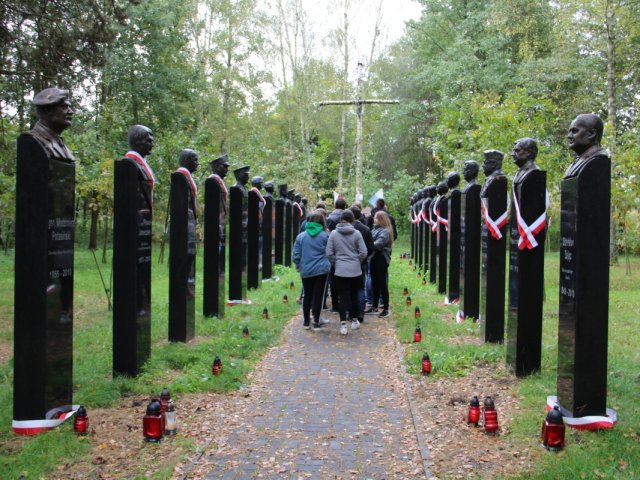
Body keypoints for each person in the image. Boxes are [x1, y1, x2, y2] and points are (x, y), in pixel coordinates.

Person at [326, 210, 367, 335]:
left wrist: (336, 263)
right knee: (354, 295)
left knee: (342, 297)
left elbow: (329, 253)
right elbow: (363, 252)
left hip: (340, 270)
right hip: (355, 270)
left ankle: (343, 325)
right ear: (352, 220)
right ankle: (354, 320)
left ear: (341, 219)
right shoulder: (357, 233)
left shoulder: (333, 234)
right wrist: (356, 261)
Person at [293, 211, 332, 330]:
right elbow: (330, 253)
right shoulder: (325, 236)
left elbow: (296, 254)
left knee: (307, 295)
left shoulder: (301, 236)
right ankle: (316, 321)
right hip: (321, 270)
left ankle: (305, 321)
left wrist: (299, 266)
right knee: (319, 296)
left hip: (306, 270)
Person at [368, 210, 394, 317]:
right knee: (375, 283)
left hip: (381, 258)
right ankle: (374, 306)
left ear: (381, 220)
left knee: (382, 283)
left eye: (376, 218)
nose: (374, 220)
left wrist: (368, 245)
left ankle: (386, 308)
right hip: (374, 257)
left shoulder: (385, 231)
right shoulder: (375, 229)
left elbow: (378, 244)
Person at [350, 205, 373, 320]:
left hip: (348, 262)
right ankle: (360, 312)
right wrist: (363, 258)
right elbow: (370, 247)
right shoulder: (365, 229)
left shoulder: (346, 229)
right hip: (361, 261)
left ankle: (351, 312)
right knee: (360, 288)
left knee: (350, 288)